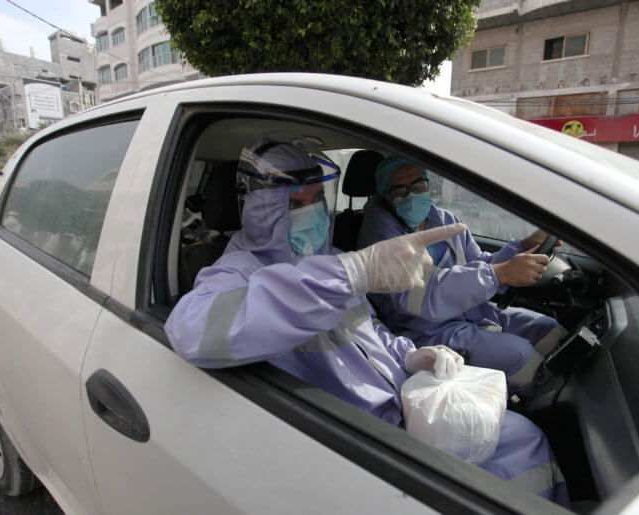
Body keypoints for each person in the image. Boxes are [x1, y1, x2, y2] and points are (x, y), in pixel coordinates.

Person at [165, 140, 569, 505]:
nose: (310, 212)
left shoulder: (331, 255)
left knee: (523, 437)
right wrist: (353, 272)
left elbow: (374, 334)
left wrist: (412, 357)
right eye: (293, 204)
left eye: (314, 199)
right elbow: (192, 329)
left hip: (402, 402)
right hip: (359, 436)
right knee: (521, 450)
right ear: (258, 208)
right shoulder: (237, 272)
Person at [357, 156, 567, 389]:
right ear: (384, 195)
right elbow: (418, 293)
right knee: (522, 356)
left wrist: (523, 247)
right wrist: (498, 274)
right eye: (399, 190)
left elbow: (477, 262)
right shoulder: (379, 232)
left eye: (418, 184)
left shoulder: (443, 219)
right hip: (425, 329)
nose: (412, 194)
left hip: (473, 313)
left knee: (549, 330)